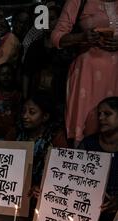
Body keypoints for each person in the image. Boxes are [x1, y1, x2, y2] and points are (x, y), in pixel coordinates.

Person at [51, 0, 118, 147]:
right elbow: (56, 37)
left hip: (115, 75)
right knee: (90, 128)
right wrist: (81, 37)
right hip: (89, 77)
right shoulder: (79, 1)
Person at [11, 92, 68, 201]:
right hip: (15, 194)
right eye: (23, 111)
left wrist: (44, 187)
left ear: (45, 116)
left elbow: (63, 171)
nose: (25, 116)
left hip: (43, 197)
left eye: (32, 112)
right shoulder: (15, 133)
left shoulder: (56, 137)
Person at [79, 97, 118, 221]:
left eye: (107, 114)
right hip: (88, 209)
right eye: (99, 114)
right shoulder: (88, 143)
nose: (101, 118)